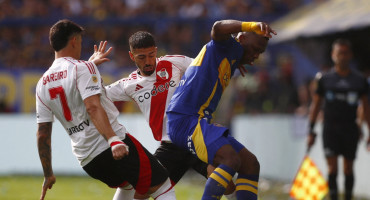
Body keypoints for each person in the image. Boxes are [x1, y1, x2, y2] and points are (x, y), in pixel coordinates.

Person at [35, 19, 176, 200]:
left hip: (87, 160)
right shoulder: (82, 68)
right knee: (162, 186)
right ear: (74, 41)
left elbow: (42, 134)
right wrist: (113, 140)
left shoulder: (42, 84)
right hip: (110, 145)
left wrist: (48, 173)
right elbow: (92, 107)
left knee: (128, 187)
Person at [106, 31, 236, 200]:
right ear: (132, 56)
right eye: (141, 57)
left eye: (151, 55)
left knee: (224, 182)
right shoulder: (128, 85)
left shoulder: (174, 62)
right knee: (139, 192)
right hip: (170, 145)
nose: (148, 61)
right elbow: (95, 94)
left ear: (156, 50)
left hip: (194, 134)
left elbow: (205, 70)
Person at [166, 20, 276, 200]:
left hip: (195, 120)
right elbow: (217, 27)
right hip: (185, 120)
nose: (256, 55)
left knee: (250, 164)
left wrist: (237, 59)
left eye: (260, 52)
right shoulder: (226, 46)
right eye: (255, 48)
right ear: (240, 37)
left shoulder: (231, 54)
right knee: (230, 159)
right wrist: (248, 25)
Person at [307, 39, 370, 200]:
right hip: (330, 129)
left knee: (348, 168)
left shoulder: (359, 80)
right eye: (339, 53)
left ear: (351, 55)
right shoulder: (324, 79)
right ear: (333, 55)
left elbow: (366, 107)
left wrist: (369, 131)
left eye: (345, 53)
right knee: (332, 168)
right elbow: (315, 106)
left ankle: (348, 197)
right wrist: (311, 130)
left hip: (350, 129)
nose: (343, 56)